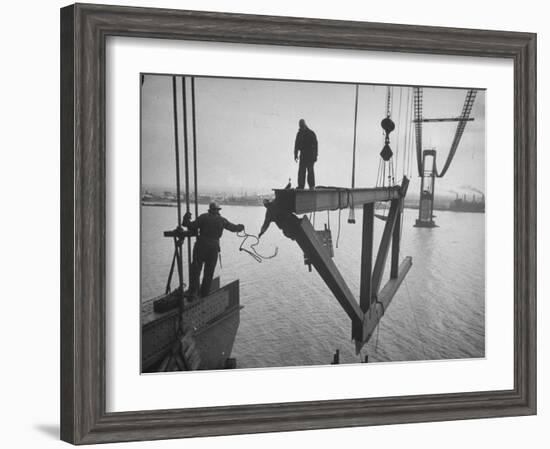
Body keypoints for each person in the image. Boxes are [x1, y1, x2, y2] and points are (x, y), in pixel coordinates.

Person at [182, 202, 244, 299]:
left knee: (196, 270)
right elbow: (233, 228)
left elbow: (190, 226)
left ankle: (193, 292)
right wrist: (240, 227)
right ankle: (204, 294)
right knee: (209, 272)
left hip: (201, 246)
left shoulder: (203, 217)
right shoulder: (221, 220)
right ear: (218, 210)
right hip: (213, 248)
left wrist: (186, 219)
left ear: (210, 209)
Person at [294, 119, 318, 189]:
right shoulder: (299, 134)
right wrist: (295, 154)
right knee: (301, 171)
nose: (301, 127)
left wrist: (315, 156)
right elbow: (296, 145)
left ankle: (312, 186)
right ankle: (301, 186)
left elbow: (315, 146)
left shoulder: (311, 133)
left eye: (302, 125)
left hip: (310, 156)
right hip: (303, 155)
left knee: (310, 171)